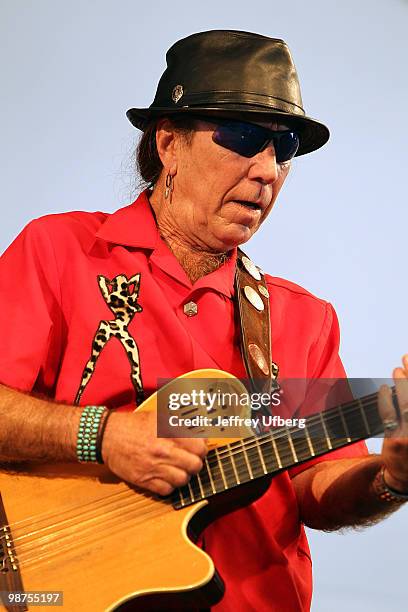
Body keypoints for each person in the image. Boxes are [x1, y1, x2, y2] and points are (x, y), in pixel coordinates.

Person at [0, 29, 407, 611]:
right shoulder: (59, 251)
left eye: (284, 148)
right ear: (168, 142)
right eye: (242, 137)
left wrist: (390, 480)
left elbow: (317, 487)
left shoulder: (305, 319)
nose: (267, 170)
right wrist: (104, 436)